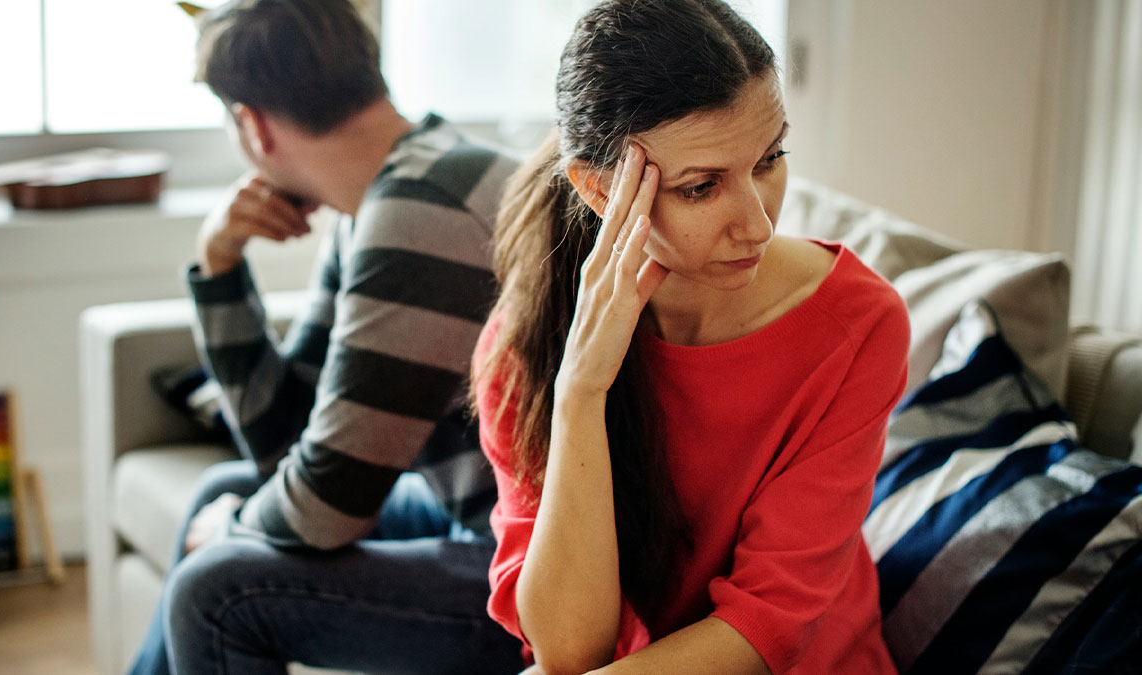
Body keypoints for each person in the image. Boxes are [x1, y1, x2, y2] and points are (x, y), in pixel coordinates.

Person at [471, 1, 910, 673]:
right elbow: (567, 648)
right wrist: (581, 392)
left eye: (770, 159)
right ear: (597, 189)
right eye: (702, 187)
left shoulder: (857, 323)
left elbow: (766, 626)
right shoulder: (524, 340)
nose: (758, 224)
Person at [126, 1, 523, 673]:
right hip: (490, 521)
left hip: (548, 572)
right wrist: (218, 263)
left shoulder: (419, 214)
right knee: (218, 489)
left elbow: (328, 508)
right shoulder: (407, 179)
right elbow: (286, 442)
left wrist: (230, 531)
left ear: (252, 123)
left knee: (214, 590)